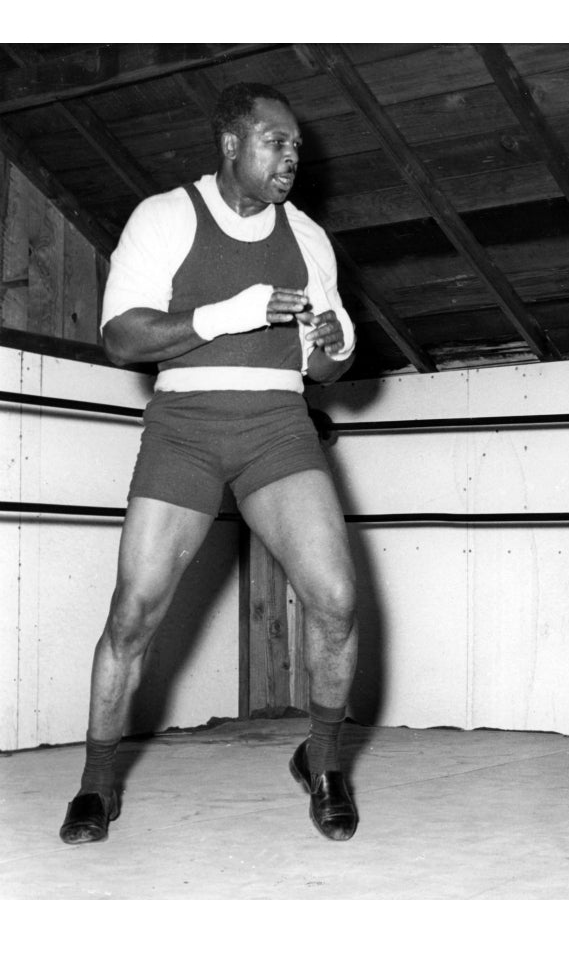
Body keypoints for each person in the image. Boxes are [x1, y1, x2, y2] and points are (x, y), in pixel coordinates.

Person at [59, 82, 361, 845]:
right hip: (184, 427)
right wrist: (232, 313)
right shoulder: (164, 217)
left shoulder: (310, 237)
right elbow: (121, 339)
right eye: (275, 141)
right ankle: (97, 784)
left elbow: (327, 372)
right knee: (133, 614)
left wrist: (333, 345)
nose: (291, 155)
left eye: (297, 145)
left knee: (336, 599)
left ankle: (321, 761)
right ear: (231, 144)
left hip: (277, 426)